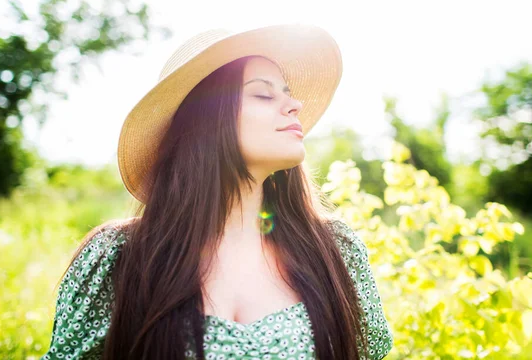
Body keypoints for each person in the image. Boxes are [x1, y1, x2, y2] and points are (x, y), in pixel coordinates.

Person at [41, 23, 394, 360]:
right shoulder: (117, 257)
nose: (294, 105)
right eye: (262, 93)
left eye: (287, 92)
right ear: (206, 120)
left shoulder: (336, 251)